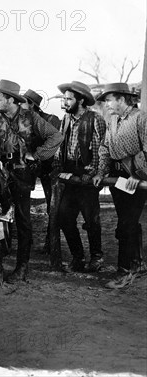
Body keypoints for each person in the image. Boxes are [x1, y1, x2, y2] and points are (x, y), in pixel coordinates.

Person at [0, 79, 63, 283]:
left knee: (23, 220)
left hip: (23, 171)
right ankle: (6, 206)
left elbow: (56, 137)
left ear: (10, 99)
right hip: (1, 168)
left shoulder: (31, 117)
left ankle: (22, 268)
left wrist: (38, 154)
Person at [93, 83, 146, 289]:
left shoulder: (141, 118)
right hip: (117, 178)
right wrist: (101, 172)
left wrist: (139, 174)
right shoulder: (112, 119)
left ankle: (125, 271)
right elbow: (105, 148)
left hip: (136, 177)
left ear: (122, 99)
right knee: (127, 220)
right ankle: (138, 262)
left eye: (109, 100)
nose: (106, 104)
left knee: (126, 224)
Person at [52, 81, 106, 273]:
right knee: (64, 218)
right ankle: (78, 257)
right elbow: (60, 145)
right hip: (69, 177)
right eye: (64, 98)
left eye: (69, 99)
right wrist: (58, 168)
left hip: (87, 177)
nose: (65, 102)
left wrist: (93, 174)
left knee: (92, 220)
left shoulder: (95, 119)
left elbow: (101, 149)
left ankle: (96, 258)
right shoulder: (65, 119)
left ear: (80, 100)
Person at [22, 90, 61, 214]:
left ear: (32, 105)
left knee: (53, 204)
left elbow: (56, 143)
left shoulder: (51, 120)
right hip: (31, 166)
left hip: (50, 168)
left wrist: (36, 155)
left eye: (23, 103)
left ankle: (53, 231)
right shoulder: (23, 121)